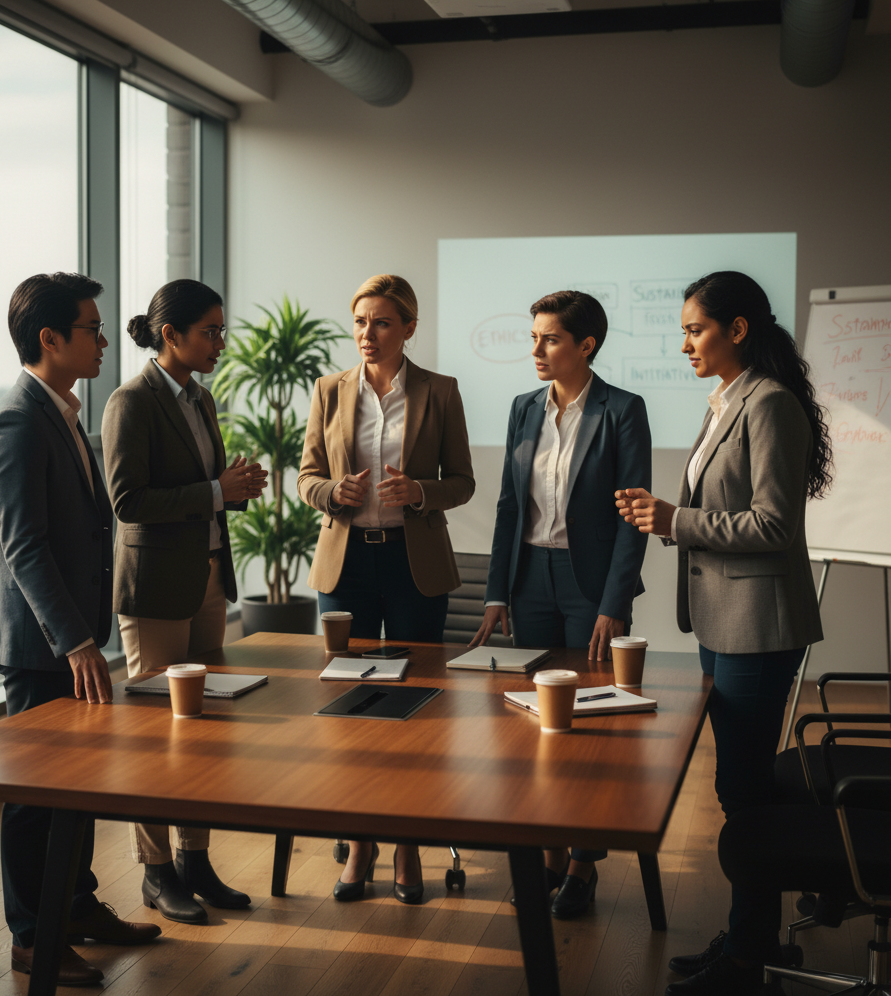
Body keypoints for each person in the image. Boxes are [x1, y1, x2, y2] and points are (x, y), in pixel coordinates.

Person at [615, 270, 831, 996]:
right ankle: (751, 937)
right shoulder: (729, 400)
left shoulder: (768, 405)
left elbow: (772, 525)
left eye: (694, 330)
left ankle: (748, 956)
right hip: (723, 619)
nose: (683, 345)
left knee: (742, 787)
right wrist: (667, 512)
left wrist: (675, 520)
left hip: (758, 626)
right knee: (742, 785)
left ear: (737, 330)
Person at [0, 272, 161, 987]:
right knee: (33, 795)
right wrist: (76, 640)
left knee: (77, 784)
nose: (105, 339)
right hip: (42, 643)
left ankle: (76, 907)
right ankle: (31, 937)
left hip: (74, 633)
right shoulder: (16, 421)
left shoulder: (62, 410)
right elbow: (24, 547)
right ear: (50, 338)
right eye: (91, 328)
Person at [471, 289, 652, 920]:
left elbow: (633, 521)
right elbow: (507, 508)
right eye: (535, 337)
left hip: (590, 584)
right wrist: (497, 591)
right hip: (528, 580)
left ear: (586, 346)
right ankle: (546, 850)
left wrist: (613, 600)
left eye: (550, 339)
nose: (537, 350)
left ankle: (582, 862)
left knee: (593, 727)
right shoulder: (524, 408)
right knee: (533, 723)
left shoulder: (623, 410)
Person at [297, 273, 475, 905]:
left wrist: (421, 492)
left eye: (380, 323)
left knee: (412, 714)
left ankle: (405, 847)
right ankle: (361, 846)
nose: (366, 335)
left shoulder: (440, 392)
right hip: (345, 569)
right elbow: (307, 474)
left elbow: (462, 481)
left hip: (412, 567)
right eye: (360, 322)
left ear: (408, 328)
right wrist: (331, 492)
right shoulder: (328, 390)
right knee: (347, 711)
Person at [101, 279, 267, 925]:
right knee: (153, 739)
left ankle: (195, 860)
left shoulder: (200, 397)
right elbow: (128, 504)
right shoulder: (131, 401)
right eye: (210, 332)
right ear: (171, 335)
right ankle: (155, 871)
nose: (220, 343)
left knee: (203, 731)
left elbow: (206, 492)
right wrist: (216, 491)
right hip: (154, 591)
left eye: (222, 330)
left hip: (205, 580)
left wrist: (235, 490)